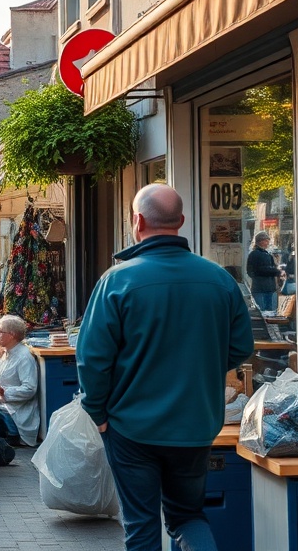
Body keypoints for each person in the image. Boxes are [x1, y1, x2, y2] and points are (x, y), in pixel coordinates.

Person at [76, 185, 254, 551]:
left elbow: (92, 358)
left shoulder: (117, 281)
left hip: (131, 426)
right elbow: (241, 348)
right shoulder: (220, 280)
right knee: (188, 516)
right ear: (182, 222)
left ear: (137, 221)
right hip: (196, 425)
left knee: (141, 524)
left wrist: (97, 411)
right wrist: (198, 365)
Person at [0, 314, 39, 447]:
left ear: (11, 335)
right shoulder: (7, 353)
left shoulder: (24, 357)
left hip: (15, 412)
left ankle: (11, 434)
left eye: (0, 331)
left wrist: (4, 392)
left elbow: (30, 389)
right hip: (1, 405)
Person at [246, 231, 282, 314]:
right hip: (263, 289)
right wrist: (276, 271)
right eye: (266, 241)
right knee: (267, 313)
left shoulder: (260, 254)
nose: (268, 243)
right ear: (261, 241)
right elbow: (262, 270)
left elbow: (251, 271)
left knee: (266, 313)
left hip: (265, 288)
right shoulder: (258, 254)